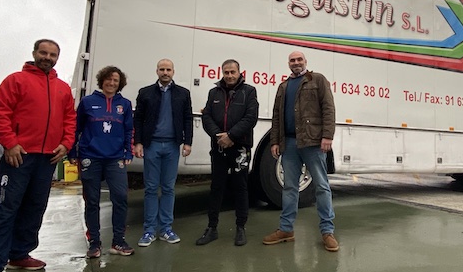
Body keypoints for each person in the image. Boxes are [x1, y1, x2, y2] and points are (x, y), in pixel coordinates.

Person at [0, 39, 76, 272]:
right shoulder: (15, 80)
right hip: (19, 156)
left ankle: (19, 255)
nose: (48, 57)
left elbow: (70, 119)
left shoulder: (63, 88)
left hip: (48, 158)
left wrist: (66, 144)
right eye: (44, 52)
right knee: (5, 208)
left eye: (53, 54)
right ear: (34, 53)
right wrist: (9, 143)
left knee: (34, 207)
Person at [262, 50, 339, 252]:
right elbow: (277, 116)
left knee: (322, 187)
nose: (296, 63)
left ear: (305, 62)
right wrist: (275, 141)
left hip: (313, 143)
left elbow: (328, 108)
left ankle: (327, 232)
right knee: (289, 188)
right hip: (289, 144)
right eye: (292, 60)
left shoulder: (318, 80)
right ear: (288, 63)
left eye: (299, 60)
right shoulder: (283, 86)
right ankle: (286, 229)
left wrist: (327, 135)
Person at [70, 66, 135, 258]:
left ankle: (118, 241)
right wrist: (73, 151)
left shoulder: (125, 104)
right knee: (92, 201)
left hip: (115, 158)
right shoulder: (88, 102)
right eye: (108, 79)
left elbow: (129, 130)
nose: (111, 83)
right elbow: (76, 127)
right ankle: (94, 243)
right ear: (102, 80)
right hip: (91, 156)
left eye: (115, 80)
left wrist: (128, 152)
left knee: (121, 197)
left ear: (120, 83)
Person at [197, 59, 259, 246]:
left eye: (233, 72)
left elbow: (251, 117)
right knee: (217, 187)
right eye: (226, 72)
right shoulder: (213, 92)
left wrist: (231, 136)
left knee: (240, 187)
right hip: (219, 147)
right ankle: (212, 228)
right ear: (222, 73)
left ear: (240, 72)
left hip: (240, 147)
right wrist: (218, 136)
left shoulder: (249, 91)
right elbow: (206, 116)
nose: (229, 75)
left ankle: (241, 228)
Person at [133, 58, 193, 246]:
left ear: (173, 72)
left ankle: (166, 229)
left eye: (168, 69)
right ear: (156, 71)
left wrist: (188, 142)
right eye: (162, 69)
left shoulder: (183, 94)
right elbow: (138, 119)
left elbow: (187, 119)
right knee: (151, 188)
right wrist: (138, 142)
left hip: (172, 147)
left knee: (168, 188)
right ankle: (149, 230)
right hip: (152, 145)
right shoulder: (145, 93)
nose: (165, 72)